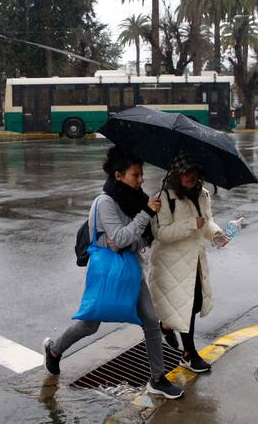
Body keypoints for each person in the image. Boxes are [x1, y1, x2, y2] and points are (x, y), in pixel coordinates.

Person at [42, 146, 184, 400]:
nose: (141, 180)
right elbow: (120, 236)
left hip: (130, 268)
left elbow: (136, 241)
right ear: (118, 175)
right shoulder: (105, 202)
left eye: (141, 175)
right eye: (135, 175)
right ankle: (54, 350)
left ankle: (157, 378)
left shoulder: (137, 198)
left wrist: (137, 233)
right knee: (89, 325)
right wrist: (144, 216)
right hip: (108, 271)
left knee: (151, 321)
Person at [149, 152, 226, 374]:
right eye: (186, 172)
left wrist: (218, 234)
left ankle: (165, 325)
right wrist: (191, 223)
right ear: (176, 174)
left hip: (195, 260)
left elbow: (207, 222)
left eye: (195, 172)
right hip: (171, 264)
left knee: (194, 302)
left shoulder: (202, 194)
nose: (191, 176)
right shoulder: (164, 198)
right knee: (187, 305)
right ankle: (188, 354)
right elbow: (160, 233)